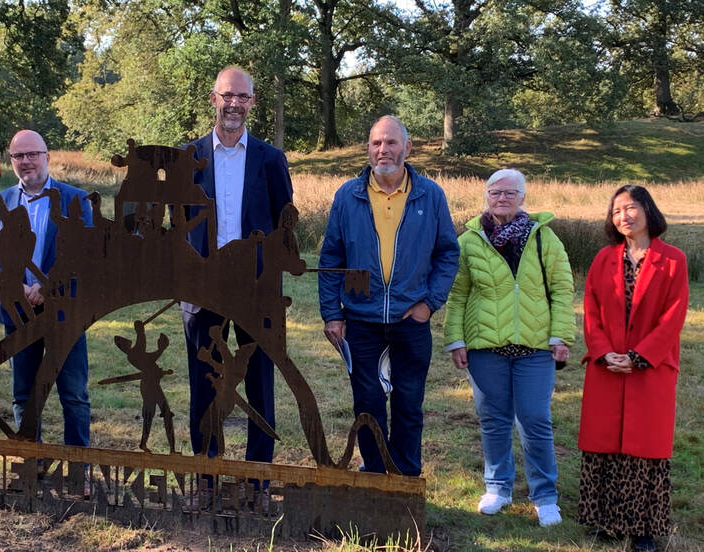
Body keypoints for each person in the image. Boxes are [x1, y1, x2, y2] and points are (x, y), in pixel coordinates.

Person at [319, 115, 459, 477]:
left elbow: (448, 253)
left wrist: (429, 305)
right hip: (361, 320)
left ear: (407, 148)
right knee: (367, 405)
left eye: (391, 142)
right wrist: (332, 314)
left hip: (409, 319)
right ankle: (375, 474)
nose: (383, 150)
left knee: (409, 404)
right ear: (368, 149)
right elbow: (331, 257)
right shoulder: (348, 195)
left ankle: (406, 479)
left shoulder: (430, 194)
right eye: (376, 143)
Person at [443, 168, 575, 526]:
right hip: (485, 347)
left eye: (509, 193)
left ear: (523, 198)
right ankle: (498, 486)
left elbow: (563, 290)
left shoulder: (545, 238)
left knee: (535, 419)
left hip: (534, 347)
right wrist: (455, 338)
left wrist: (561, 335)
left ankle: (545, 495)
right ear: (486, 196)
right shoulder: (468, 241)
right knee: (493, 420)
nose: (502, 199)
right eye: (495, 193)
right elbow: (457, 294)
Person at [182, 66, 292, 468]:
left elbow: (285, 227)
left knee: (261, 381)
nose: (234, 104)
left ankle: (257, 477)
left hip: (255, 288)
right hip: (201, 287)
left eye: (242, 97)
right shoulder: (188, 158)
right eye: (227, 95)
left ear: (252, 104)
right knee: (204, 382)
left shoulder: (271, 160)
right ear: (214, 98)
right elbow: (177, 227)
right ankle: (206, 471)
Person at [578, 185, 688, 552]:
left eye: (630, 208)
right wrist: (604, 352)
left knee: (645, 445)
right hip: (607, 366)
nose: (623, 216)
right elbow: (590, 311)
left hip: (650, 368)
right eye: (616, 211)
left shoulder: (673, 259)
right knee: (604, 440)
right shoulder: (602, 258)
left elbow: (674, 316)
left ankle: (643, 529)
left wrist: (639, 356)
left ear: (647, 211)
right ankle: (605, 522)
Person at [0, 129, 92, 447]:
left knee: (74, 395)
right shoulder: (1, 202)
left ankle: (77, 469)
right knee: (24, 395)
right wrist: (17, 287)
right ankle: (31, 463)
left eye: (32, 154)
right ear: (11, 161)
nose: (26, 161)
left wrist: (47, 287)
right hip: (18, 312)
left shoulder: (75, 199)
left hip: (64, 312)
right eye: (18, 156)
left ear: (47, 157)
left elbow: (86, 253)